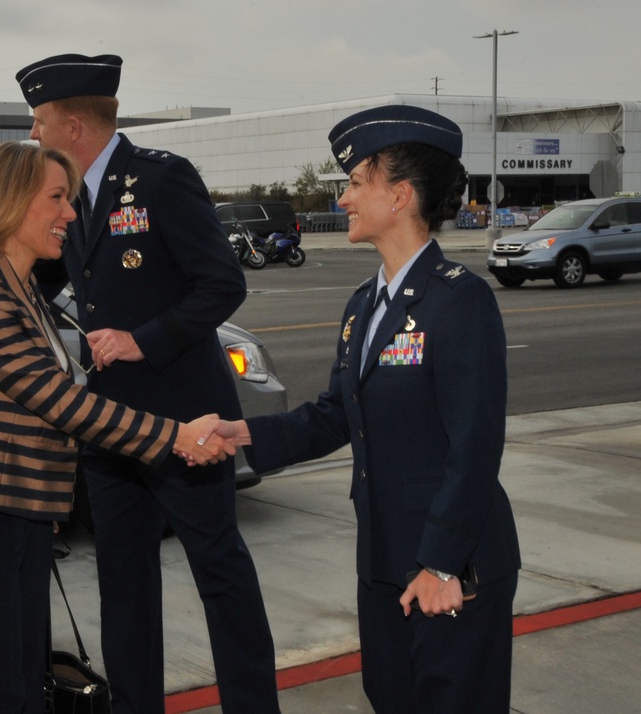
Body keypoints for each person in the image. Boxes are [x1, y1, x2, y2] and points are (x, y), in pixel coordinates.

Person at [199, 105, 522, 713]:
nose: (343, 199)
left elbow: (475, 445)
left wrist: (441, 563)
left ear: (399, 196)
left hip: (451, 567)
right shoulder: (362, 308)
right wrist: (243, 433)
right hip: (382, 564)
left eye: (354, 183)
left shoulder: (460, 301)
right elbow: (334, 415)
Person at [0, 140, 233, 714]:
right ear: (7, 203)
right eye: (57, 198)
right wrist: (176, 437)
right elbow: (58, 401)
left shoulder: (19, 285)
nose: (70, 214)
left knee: (18, 684)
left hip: (17, 511)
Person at [14, 54, 281, 714]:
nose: (33, 134)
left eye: (39, 121)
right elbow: (42, 280)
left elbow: (224, 283)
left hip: (187, 424)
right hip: (109, 428)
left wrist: (144, 338)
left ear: (74, 125)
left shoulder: (161, 179)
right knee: (122, 585)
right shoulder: (65, 195)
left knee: (221, 577)